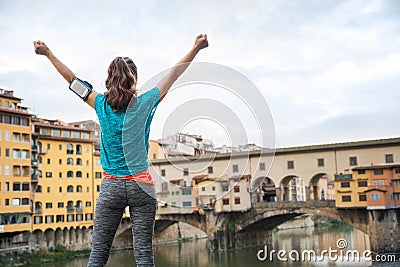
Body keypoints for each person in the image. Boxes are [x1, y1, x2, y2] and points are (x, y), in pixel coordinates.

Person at [33, 34, 208, 267]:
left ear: (109, 80)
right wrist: (196, 48)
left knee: (98, 255)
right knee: (144, 255)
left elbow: (72, 81)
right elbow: (173, 74)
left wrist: (48, 54)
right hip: (142, 186)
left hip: (111, 187)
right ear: (134, 80)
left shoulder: (100, 104)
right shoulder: (146, 102)